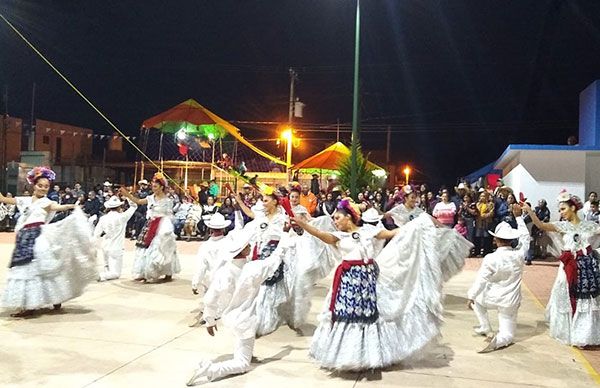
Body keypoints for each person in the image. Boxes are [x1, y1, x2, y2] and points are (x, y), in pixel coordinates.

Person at [292, 198, 471, 370]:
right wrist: (303, 225)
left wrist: (419, 224)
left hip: (369, 278)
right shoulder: (337, 236)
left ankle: (368, 356)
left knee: (370, 315)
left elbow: (394, 234)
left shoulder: (369, 232)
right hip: (348, 282)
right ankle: (348, 355)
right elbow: (319, 234)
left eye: (337, 217)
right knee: (349, 315)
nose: (335, 221)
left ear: (348, 216)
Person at [0, 167, 95, 317]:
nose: (43, 188)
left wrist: (71, 206)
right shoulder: (23, 200)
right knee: (28, 269)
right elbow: (4, 199)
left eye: (46, 186)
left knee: (37, 268)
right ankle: (48, 299)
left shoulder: (47, 202)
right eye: (40, 185)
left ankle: (35, 305)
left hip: (39, 238)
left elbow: (58, 207)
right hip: (24, 239)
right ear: (33, 185)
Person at [523, 190, 600, 347]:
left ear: (573, 208)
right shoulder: (562, 226)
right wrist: (530, 211)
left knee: (586, 299)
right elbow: (540, 225)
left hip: (586, 267)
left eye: (563, 208)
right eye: (559, 210)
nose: (561, 212)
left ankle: (584, 334)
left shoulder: (590, 225)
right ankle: (569, 331)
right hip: (567, 267)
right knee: (565, 294)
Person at [467, 205, 530, 353]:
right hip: (510, 301)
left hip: (490, 297)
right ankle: (500, 339)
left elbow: (481, 280)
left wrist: (471, 296)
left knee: (477, 300)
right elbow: (526, 238)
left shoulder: (491, 258)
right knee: (508, 334)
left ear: (495, 240)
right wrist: (519, 217)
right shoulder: (519, 255)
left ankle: (485, 326)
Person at [234, 190, 288, 337]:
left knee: (269, 285)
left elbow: (287, 235)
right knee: (260, 285)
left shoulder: (282, 217)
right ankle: (257, 317)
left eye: (265, 200)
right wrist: (239, 202)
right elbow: (250, 213)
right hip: (260, 250)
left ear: (275, 202)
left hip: (274, 252)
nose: (263, 203)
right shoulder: (261, 216)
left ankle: (266, 319)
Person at [121, 172, 181, 282]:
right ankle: (146, 272)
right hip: (151, 223)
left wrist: (165, 227)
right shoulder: (150, 198)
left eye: (155, 186)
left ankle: (167, 272)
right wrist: (128, 195)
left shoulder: (168, 201)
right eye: (152, 186)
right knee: (146, 247)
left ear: (161, 187)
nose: (153, 188)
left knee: (162, 248)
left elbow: (169, 214)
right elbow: (138, 201)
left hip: (163, 225)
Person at [93, 194, 138, 281]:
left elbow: (96, 234)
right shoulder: (122, 217)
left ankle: (103, 275)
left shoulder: (103, 218)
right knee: (116, 273)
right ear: (119, 207)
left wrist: (93, 246)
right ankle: (99, 276)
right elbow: (134, 206)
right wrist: (127, 197)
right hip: (116, 248)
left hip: (105, 246)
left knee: (107, 267)